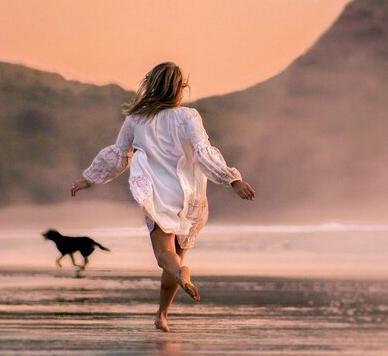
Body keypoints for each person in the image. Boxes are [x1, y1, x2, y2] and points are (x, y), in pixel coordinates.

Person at [70, 62, 256, 332]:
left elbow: (120, 156)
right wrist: (233, 179)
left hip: (157, 193)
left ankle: (180, 277)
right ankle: (162, 315)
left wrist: (88, 179)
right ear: (180, 88)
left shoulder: (135, 119)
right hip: (188, 192)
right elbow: (203, 151)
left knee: (165, 257)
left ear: (150, 85)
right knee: (177, 257)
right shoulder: (189, 116)